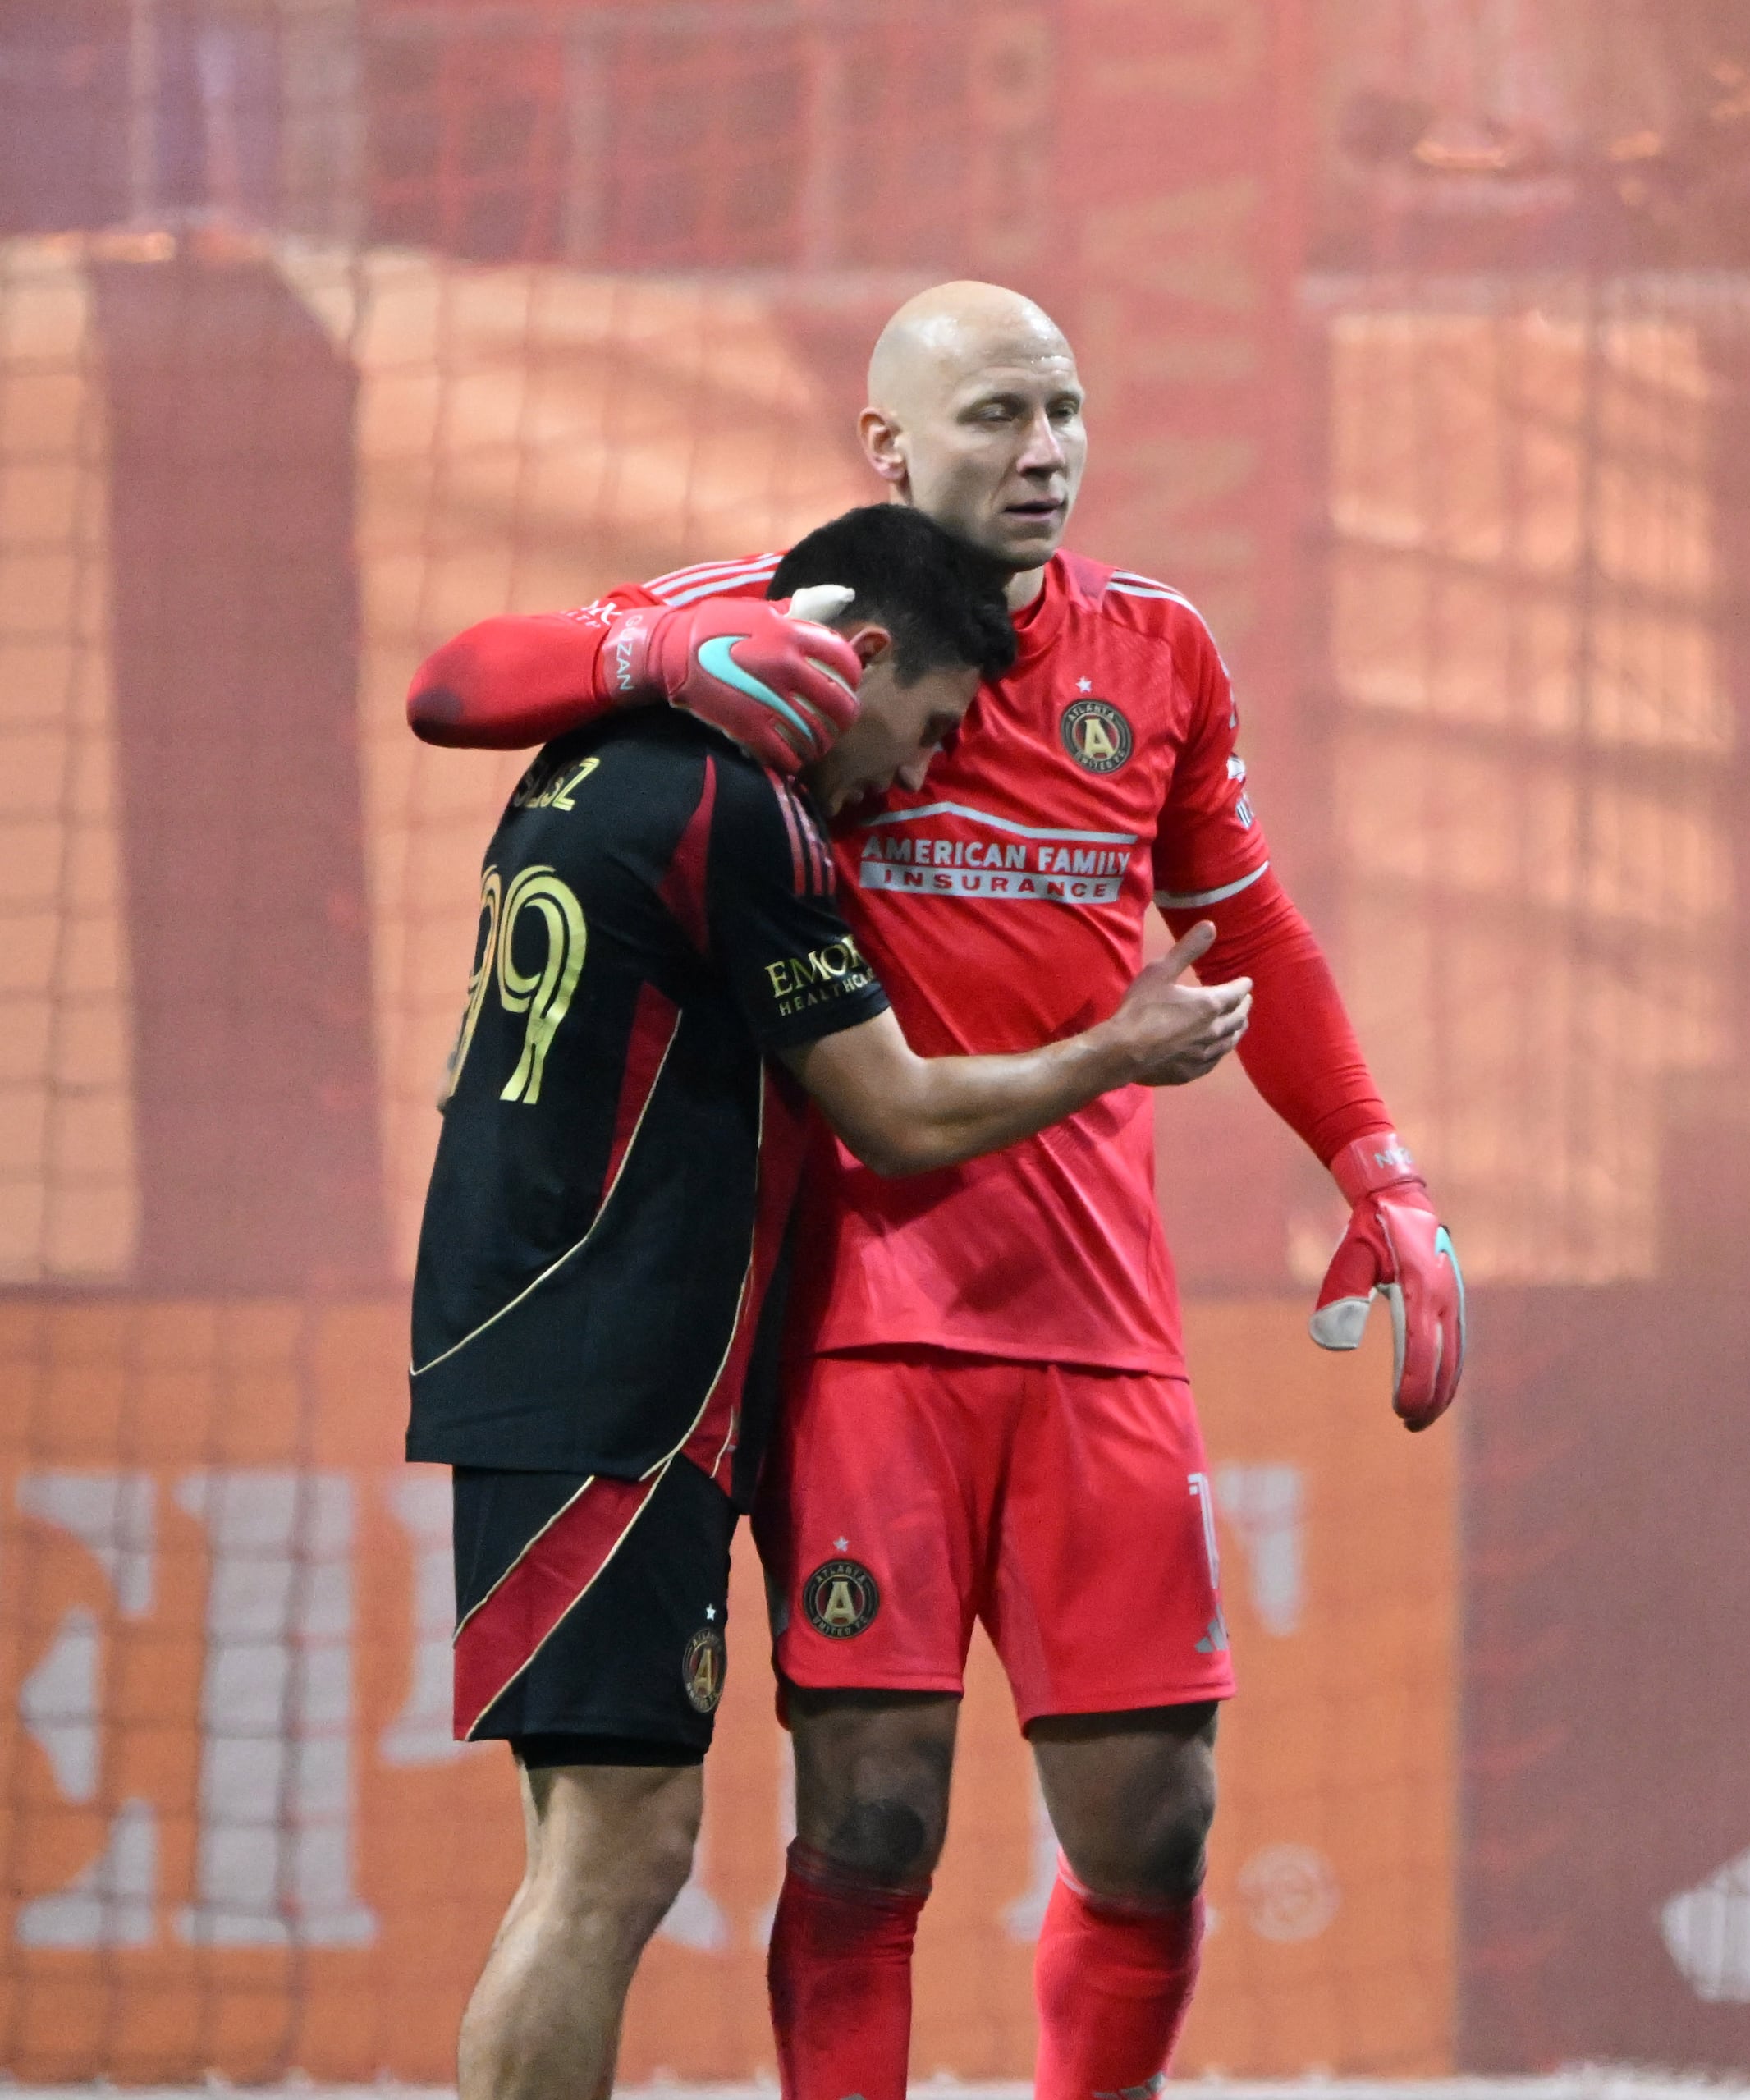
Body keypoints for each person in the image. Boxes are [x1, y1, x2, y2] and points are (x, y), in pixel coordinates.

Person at [403, 280, 1465, 2100]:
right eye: (994, 417)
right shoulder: (788, 627)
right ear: (890, 443)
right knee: (873, 1823)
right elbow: (454, 683)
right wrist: (647, 658)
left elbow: (1246, 928)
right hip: (854, 1326)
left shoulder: (1164, 651)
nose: (1044, 451)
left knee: (1156, 1821)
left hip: (1102, 1326)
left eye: (1064, 409)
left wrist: (1377, 1162)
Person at [414, 502, 1253, 2100]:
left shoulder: (598, 746)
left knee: (592, 1847)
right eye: (924, 728)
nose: (915, 775)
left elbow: (461, 685)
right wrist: (1113, 1053)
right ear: (857, 658)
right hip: (615, 1373)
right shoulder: (752, 820)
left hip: (544, 1343)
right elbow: (900, 1113)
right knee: (612, 1859)